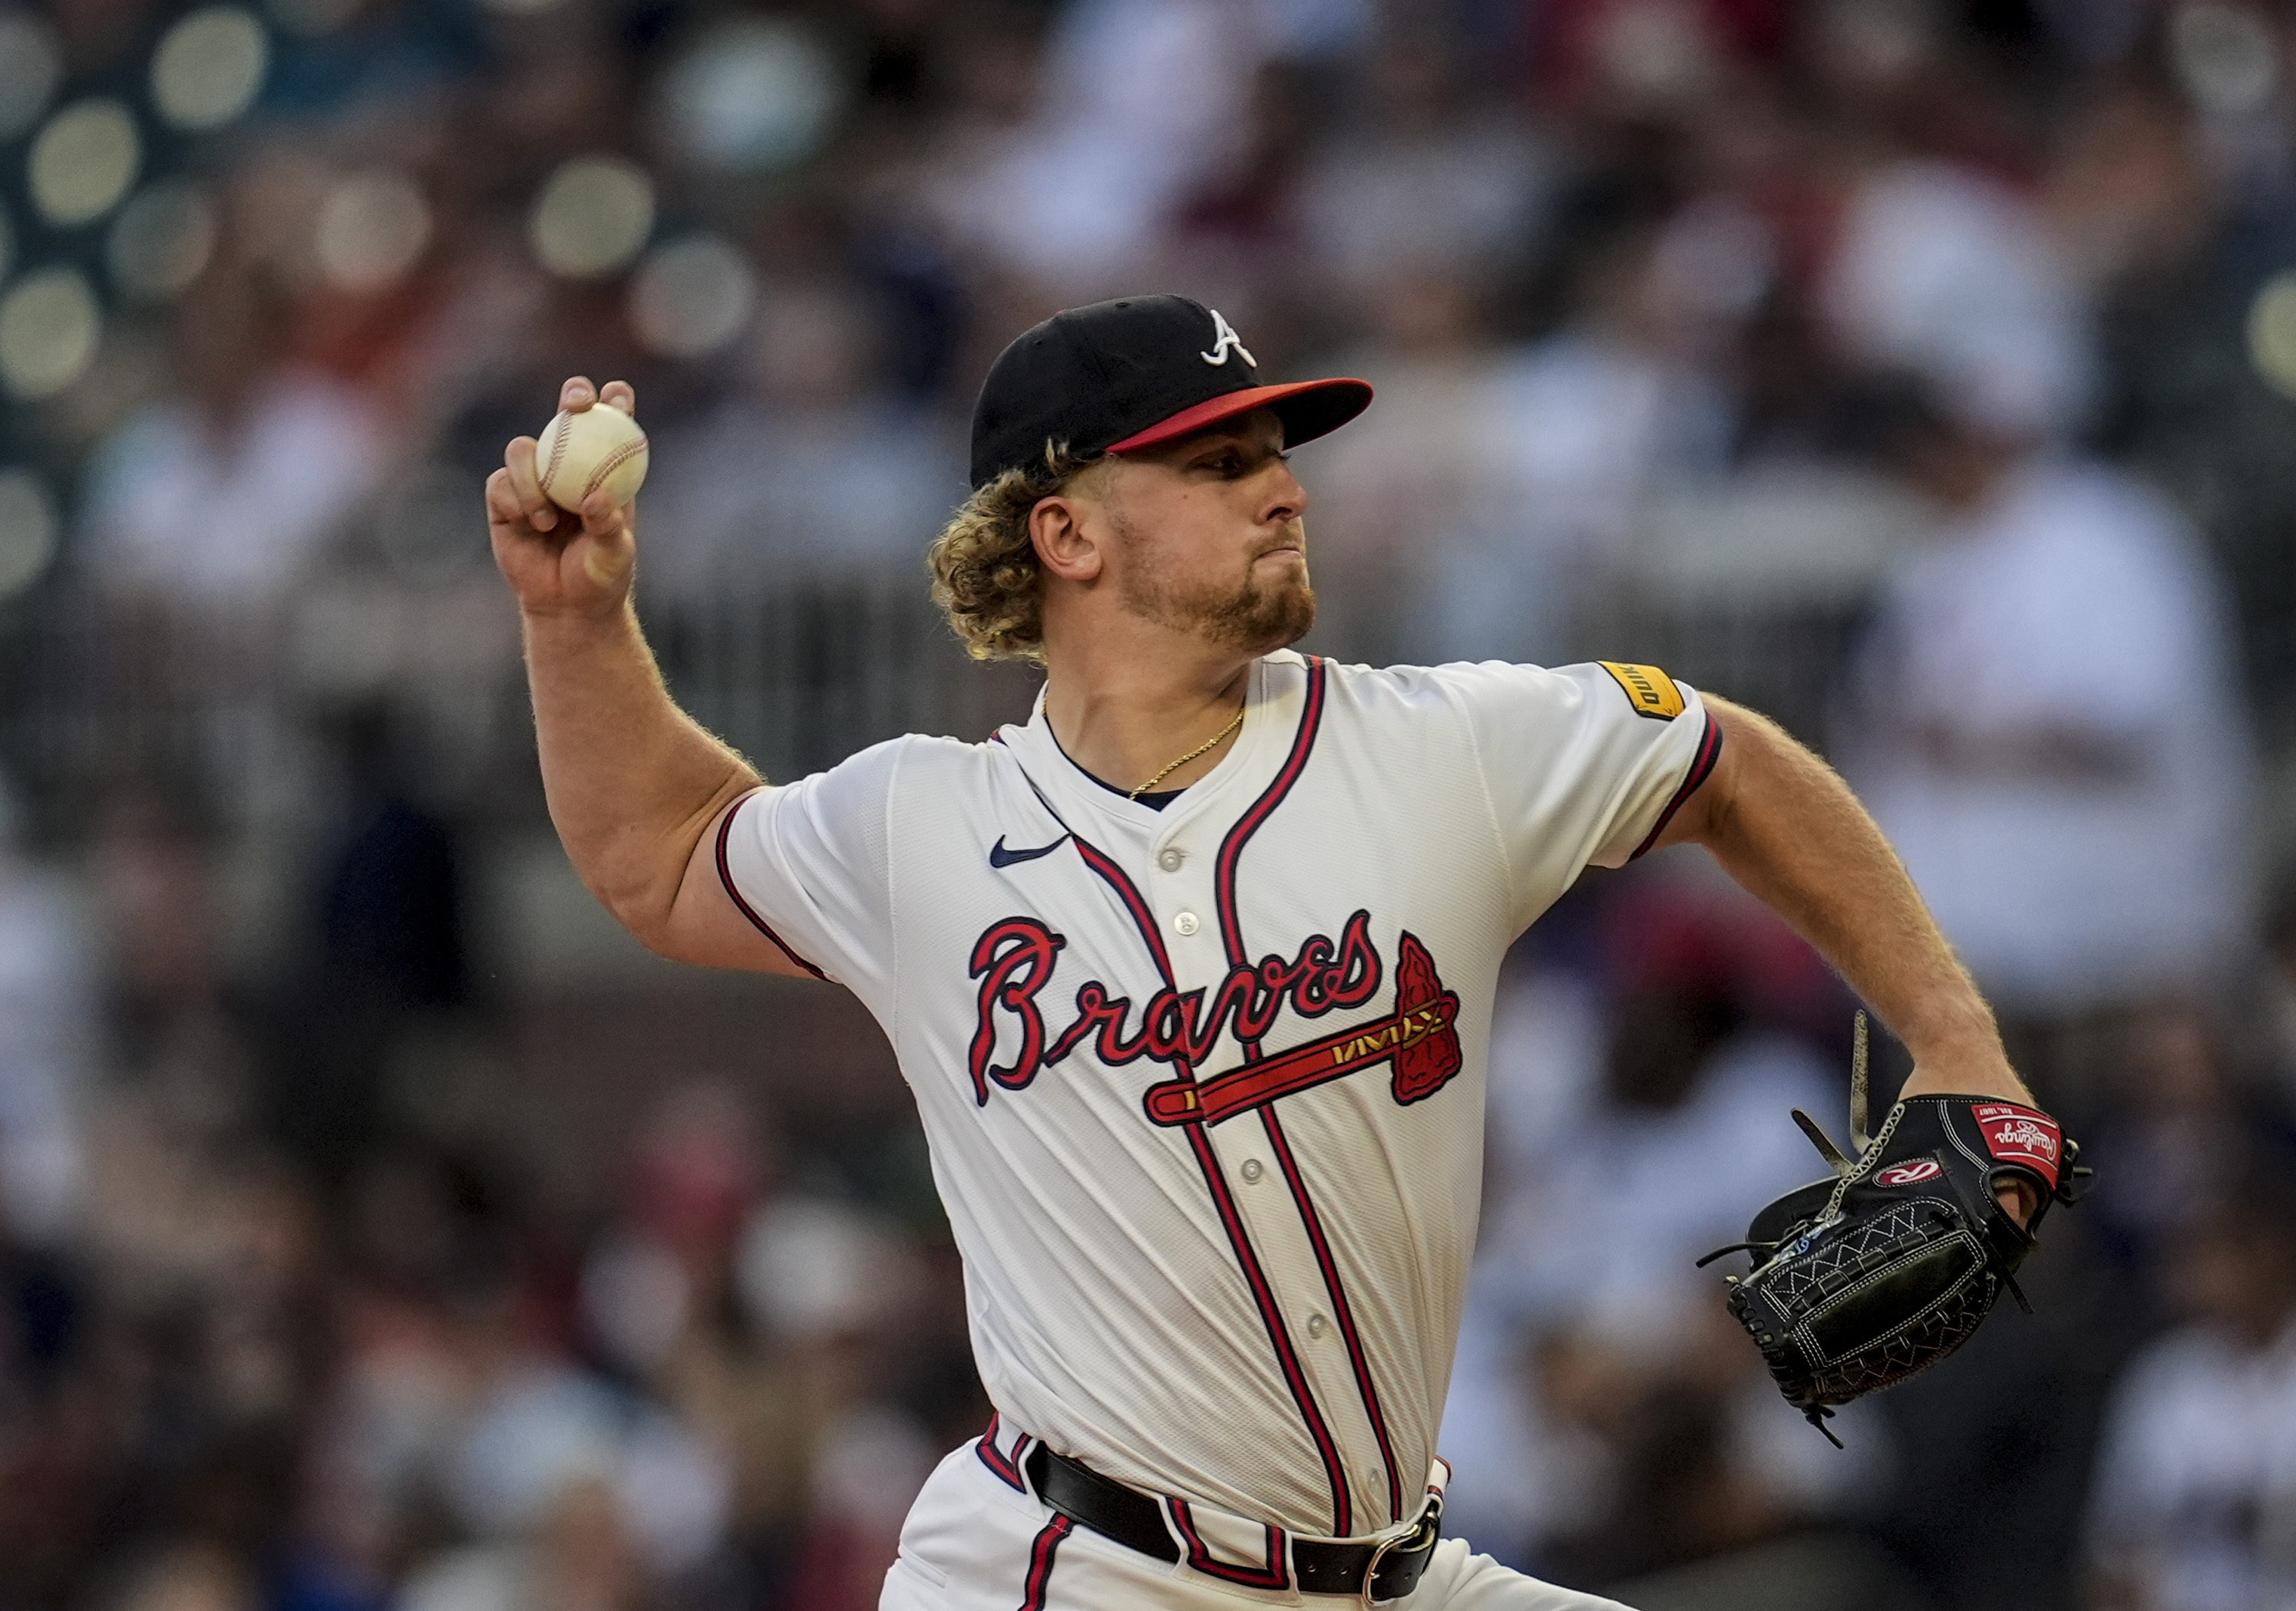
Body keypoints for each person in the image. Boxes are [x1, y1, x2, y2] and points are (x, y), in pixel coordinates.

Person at [484, 295, 2047, 1609]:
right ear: (1066, 529)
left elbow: (1725, 762)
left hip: (1393, 1568)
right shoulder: (924, 829)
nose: (1282, 488)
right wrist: (576, 625)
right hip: (1081, 1575)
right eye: (1219, 462)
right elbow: (665, 853)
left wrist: (1957, 1044)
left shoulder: (1442, 749)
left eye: (1276, 456)